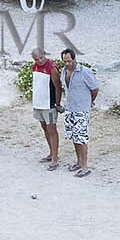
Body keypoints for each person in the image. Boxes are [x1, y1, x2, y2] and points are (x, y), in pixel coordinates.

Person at [58, 48, 99, 177]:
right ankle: (79, 162)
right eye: (65, 61)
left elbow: (95, 88)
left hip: (81, 109)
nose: (67, 63)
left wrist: (89, 101)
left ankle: (85, 166)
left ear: (74, 59)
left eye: (69, 61)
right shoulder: (64, 72)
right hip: (70, 109)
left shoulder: (84, 72)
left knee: (81, 138)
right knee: (74, 137)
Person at [30, 47, 63, 169]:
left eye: (41, 58)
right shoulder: (34, 67)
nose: (39, 61)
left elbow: (58, 87)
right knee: (44, 128)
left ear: (45, 54)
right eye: (36, 59)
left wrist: (57, 103)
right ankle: (51, 153)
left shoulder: (52, 68)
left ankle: (55, 158)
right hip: (38, 103)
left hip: (49, 104)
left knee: (52, 129)